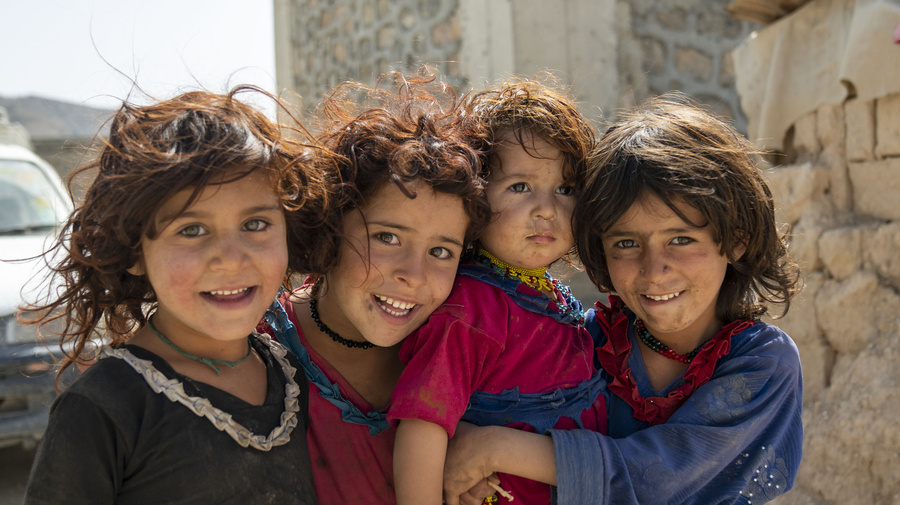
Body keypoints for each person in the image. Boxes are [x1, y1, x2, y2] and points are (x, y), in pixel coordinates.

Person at [441, 93, 804, 505]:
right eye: (627, 243)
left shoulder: (763, 362)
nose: (654, 269)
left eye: (681, 239)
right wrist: (464, 443)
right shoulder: (585, 342)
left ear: (735, 240)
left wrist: (494, 450)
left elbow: (666, 477)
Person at [22, 87, 325, 504]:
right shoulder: (104, 407)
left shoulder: (292, 374)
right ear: (134, 252)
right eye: (192, 230)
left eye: (255, 224)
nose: (230, 259)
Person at [260, 71, 492, 505]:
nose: (414, 275)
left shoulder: (465, 356)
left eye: (442, 251)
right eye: (387, 238)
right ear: (331, 224)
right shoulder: (253, 353)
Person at [388, 78, 607, 505]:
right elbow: (423, 422)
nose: (547, 209)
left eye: (564, 190)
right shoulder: (473, 309)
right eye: (520, 187)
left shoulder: (550, 297)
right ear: (476, 198)